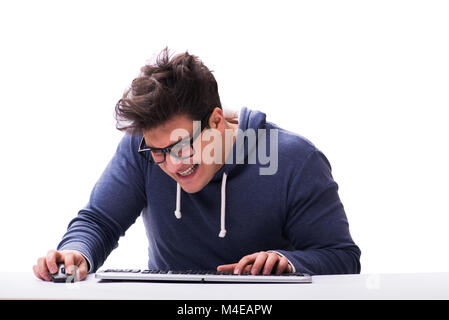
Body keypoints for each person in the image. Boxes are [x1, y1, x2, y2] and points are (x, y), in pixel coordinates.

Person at [33, 48, 361, 282]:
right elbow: (99, 222)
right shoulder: (141, 149)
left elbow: (342, 257)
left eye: (183, 146)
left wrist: (288, 262)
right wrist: (76, 253)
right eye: (158, 151)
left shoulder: (294, 160)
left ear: (217, 121)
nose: (172, 164)